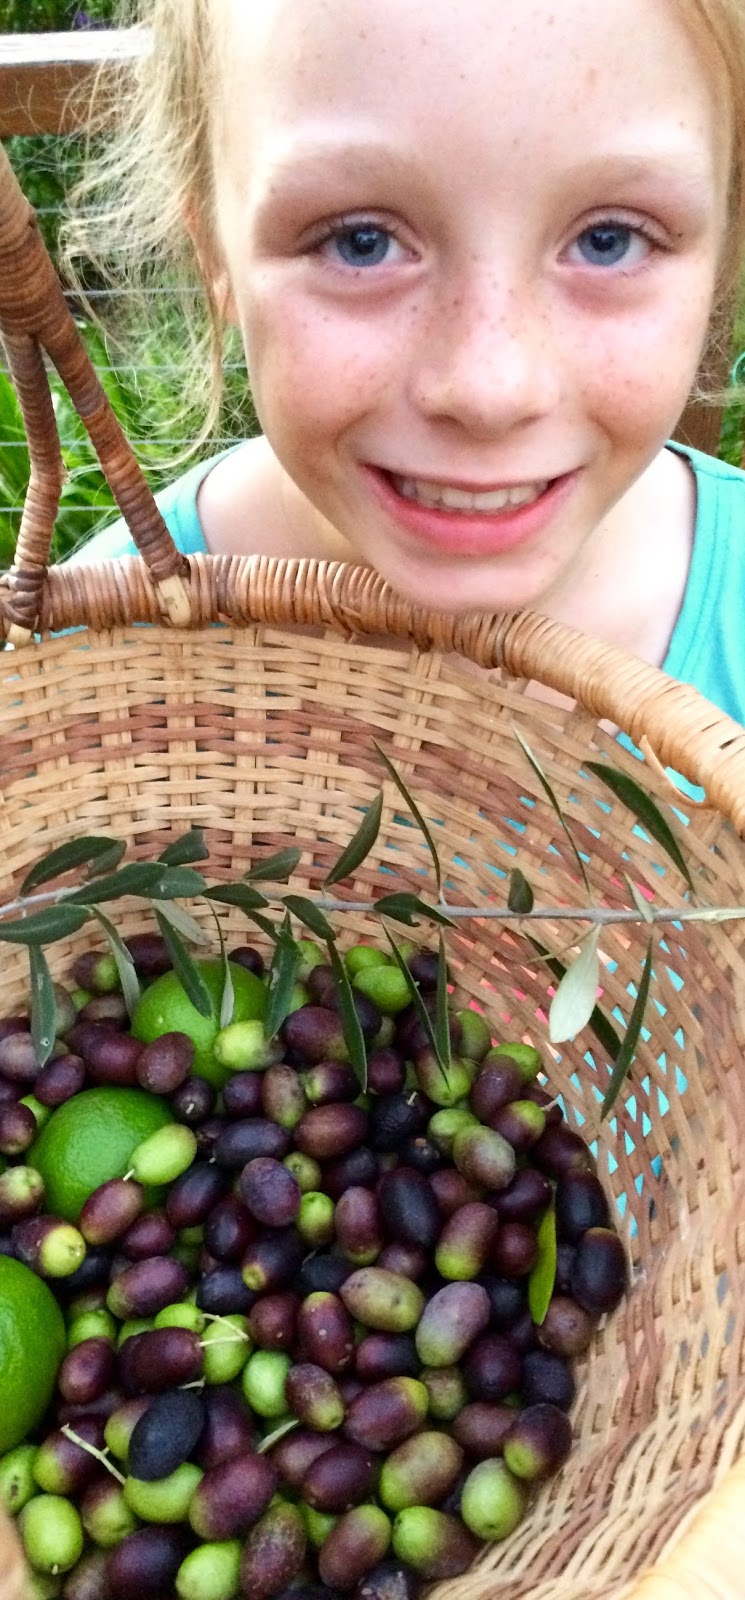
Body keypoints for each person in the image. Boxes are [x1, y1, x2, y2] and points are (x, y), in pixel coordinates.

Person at [66, 0, 745, 723]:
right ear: (215, 258)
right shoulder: (89, 660)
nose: (490, 389)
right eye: (360, 241)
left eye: (609, 239)